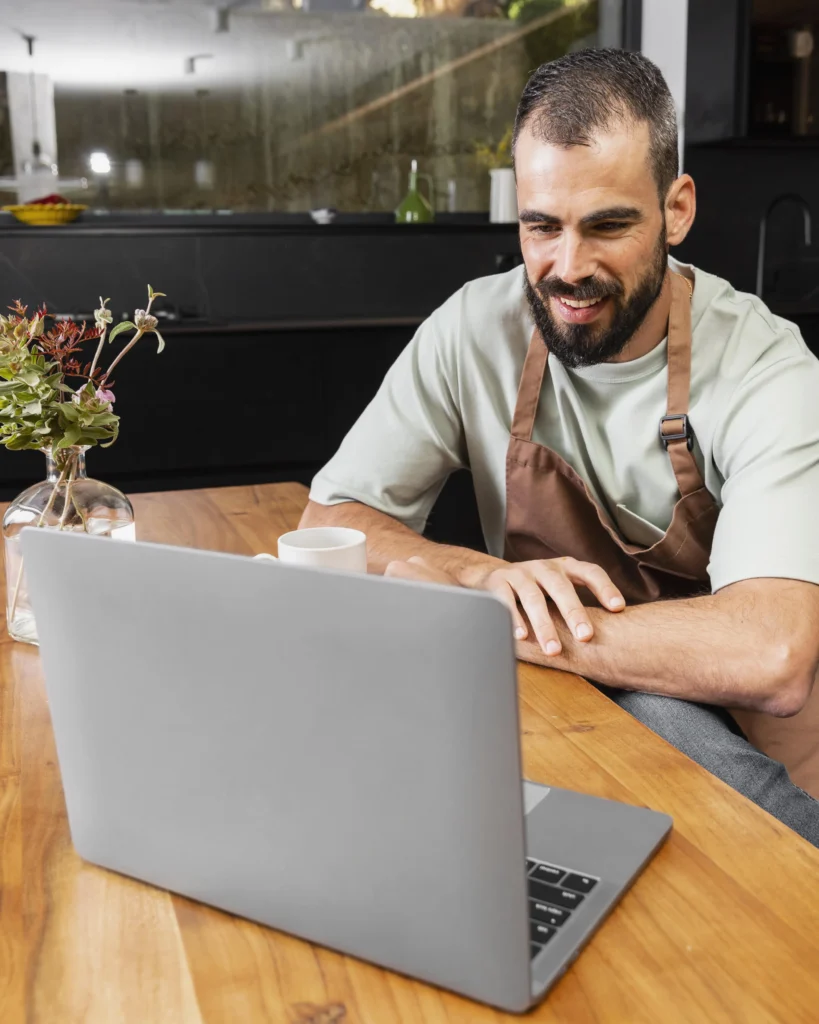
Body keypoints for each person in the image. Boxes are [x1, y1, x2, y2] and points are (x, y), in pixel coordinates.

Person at [301, 49, 819, 845]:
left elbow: (769, 653)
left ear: (676, 210)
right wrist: (477, 574)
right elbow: (329, 522)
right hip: (565, 714)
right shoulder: (475, 327)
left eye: (607, 225)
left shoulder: (765, 365)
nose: (566, 269)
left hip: (753, 756)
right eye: (541, 226)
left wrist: (495, 621)